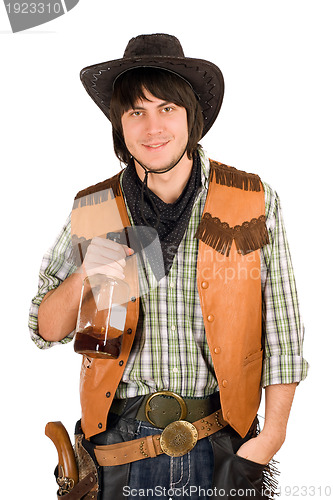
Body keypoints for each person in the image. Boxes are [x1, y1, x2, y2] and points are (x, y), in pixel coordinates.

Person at [29, 33, 309, 499]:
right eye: (135, 112)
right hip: (117, 448)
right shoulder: (96, 207)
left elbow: (283, 334)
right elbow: (46, 328)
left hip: (222, 444)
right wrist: (88, 272)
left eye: (167, 109)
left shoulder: (250, 200)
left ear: (191, 117)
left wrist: (269, 441)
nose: (151, 127)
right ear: (120, 125)